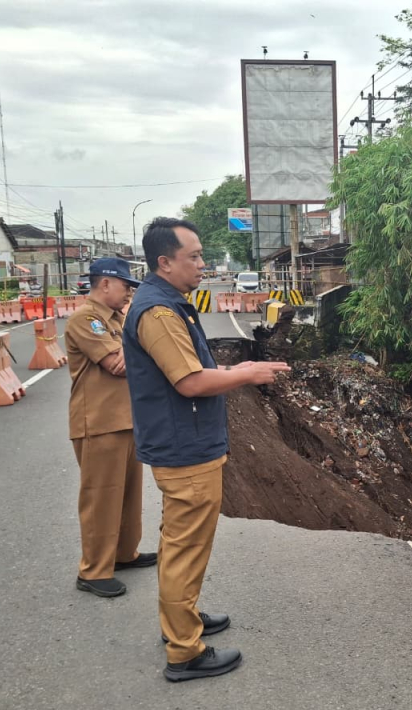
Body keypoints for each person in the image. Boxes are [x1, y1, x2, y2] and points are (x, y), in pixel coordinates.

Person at [123, 217, 290, 683]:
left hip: (184, 442)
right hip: (184, 448)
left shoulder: (169, 303)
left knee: (183, 544)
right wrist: (247, 372)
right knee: (185, 548)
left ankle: (183, 620)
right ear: (164, 262)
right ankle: (185, 651)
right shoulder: (158, 312)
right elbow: (190, 380)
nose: (202, 263)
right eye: (193, 256)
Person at [66, 257, 155, 599]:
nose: (128, 292)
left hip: (127, 419)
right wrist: (145, 351)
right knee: (101, 499)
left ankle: (123, 554)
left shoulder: (118, 319)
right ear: (105, 283)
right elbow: (116, 364)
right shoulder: (86, 319)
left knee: (129, 495)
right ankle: (93, 570)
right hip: (99, 422)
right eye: (124, 286)